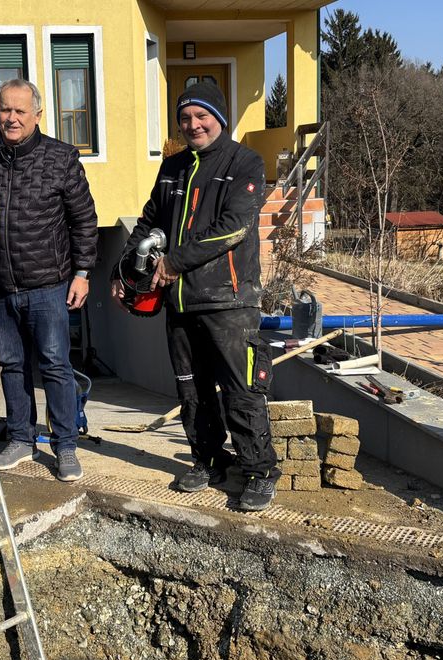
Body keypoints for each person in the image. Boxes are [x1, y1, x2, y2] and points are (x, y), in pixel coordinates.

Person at [110, 82, 280, 512]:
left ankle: (259, 470)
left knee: (242, 391)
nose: (193, 124)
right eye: (185, 118)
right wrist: (123, 270)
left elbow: (233, 226)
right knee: (192, 390)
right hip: (180, 302)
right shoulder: (173, 167)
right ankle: (209, 460)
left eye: (201, 116)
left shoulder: (245, 162)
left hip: (229, 301)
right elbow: (149, 220)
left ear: (219, 118)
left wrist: (174, 262)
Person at [0, 79, 97, 483]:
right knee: (11, 364)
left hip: (49, 284)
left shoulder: (61, 158)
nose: (12, 118)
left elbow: (84, 220)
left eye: (20, 111)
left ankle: (65, 445)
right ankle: (21, 439)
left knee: (55, 364)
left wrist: (82, 273)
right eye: (5, 109)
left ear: (38, 115)